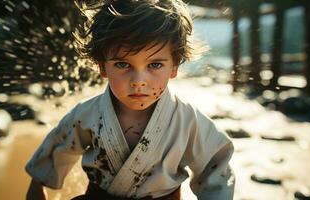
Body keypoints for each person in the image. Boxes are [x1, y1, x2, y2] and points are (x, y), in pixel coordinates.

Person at [25, 0, 235, 199]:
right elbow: (60, 145)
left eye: (154, 65)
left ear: (175, 67)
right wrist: (37, 185)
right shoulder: (88, 114)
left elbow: (215, 163)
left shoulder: (187, 120)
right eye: (123, 65)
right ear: (101, 66)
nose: (138, 81)